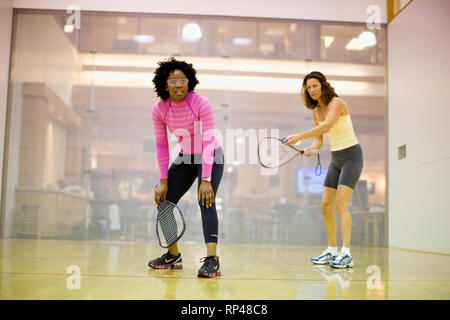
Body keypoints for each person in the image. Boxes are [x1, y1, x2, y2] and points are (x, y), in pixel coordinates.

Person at [148, 57, 224, 278]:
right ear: (165, 84)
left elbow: (209, 141)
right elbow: (162, 146)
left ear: (189, 82)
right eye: (173, 80)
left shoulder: (201, 103)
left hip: (211, 156)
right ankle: (173, 255)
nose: (179, 84)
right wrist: (163, 181)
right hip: (186, 157)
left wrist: (206, 180)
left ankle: (212, 260)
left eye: (183, 80)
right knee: (164, 201)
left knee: (206, 200)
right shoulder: (159, 109)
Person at [283, 71, 363, 268]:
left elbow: (327, 126)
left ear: (323, 85)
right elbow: (319, 140)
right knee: (325, 205)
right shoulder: (316, 111)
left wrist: (300, 136)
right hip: (336, 159)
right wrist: (311, 149)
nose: (311, 90)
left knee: (340, 203)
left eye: (314, 86)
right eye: (308, 88)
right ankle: (331, 250)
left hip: (352, 156)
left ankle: (346, 253)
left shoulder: (337, 103)